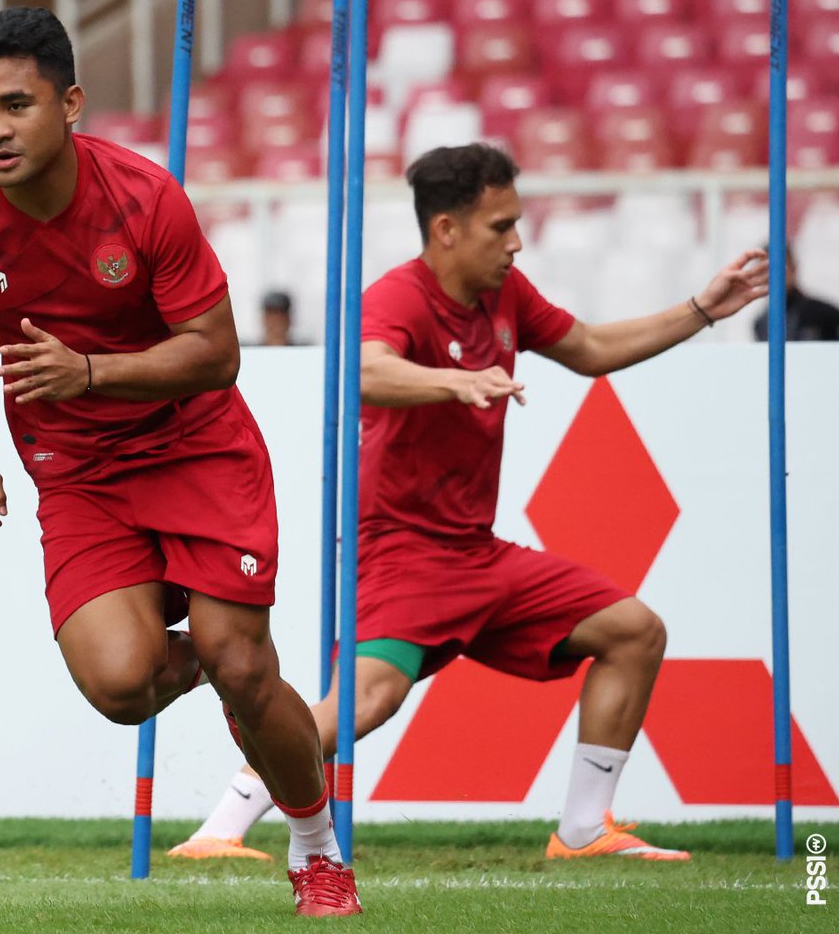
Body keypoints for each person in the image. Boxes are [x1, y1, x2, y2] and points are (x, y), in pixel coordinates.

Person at [169, 143, 768, 863]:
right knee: (366, 703)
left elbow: (590, 346)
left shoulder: (505, 297)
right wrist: (455, 383)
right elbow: (364, 370)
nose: (517, 242)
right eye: (500, 226)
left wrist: (704, 308)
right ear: (447, 228)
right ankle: (218, 831)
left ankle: (582, 830)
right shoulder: (399, 296)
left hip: (476, 553)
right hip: (400, 552)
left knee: (634, 632)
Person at [0, 7, 360, 917]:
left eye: (16, 106)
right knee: (120, 687)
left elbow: (219, 352)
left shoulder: (146, 198)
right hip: (76, 472)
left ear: (70, 104)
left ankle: (317, 850)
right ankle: (220, 663)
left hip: (198, 447)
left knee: (245, 665)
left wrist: (90, 372)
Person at [753, 244, 839, 341]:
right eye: (763, 270)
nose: (771, 276)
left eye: (777, 268)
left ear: (793, 267)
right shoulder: (761, 322)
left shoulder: (827, 314)